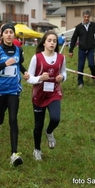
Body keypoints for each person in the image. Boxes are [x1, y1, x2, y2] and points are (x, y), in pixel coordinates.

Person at [0, 24, 29, 167]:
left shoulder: (18, 49)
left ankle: (14, 154)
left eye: (11, 32)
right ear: (2, 35)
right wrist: (4, 65)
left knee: (13, 119)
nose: (9, 35)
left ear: (14, 35)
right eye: (6, 32)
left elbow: (18, 65)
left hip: (14, 90)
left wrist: (25, 72)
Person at [25, 31, 67, 161]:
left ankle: (49, 132)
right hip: (39, 94)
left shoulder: (61, 58)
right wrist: (40, 78)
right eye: (49, 40)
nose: (52, 43)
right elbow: (29, 78)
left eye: (54, 41)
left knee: (55, 118)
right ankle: (37, 150)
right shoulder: (36, 57)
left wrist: (62, 77)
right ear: (44, 42)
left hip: (54, 93)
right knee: (38, 125)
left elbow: (64, 72)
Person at [68, 10, 95, 88]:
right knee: (80, 66)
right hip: (82, 49)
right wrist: (71, 50)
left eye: (88, 17)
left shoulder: (94, 26)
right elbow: (74, 38)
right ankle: (80, 82)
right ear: (83, 17)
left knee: (91, 65)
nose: (86, 18)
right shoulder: (79, 27)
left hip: (91, 49)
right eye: (85, 17)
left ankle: (94, 77)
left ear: (89, 17)